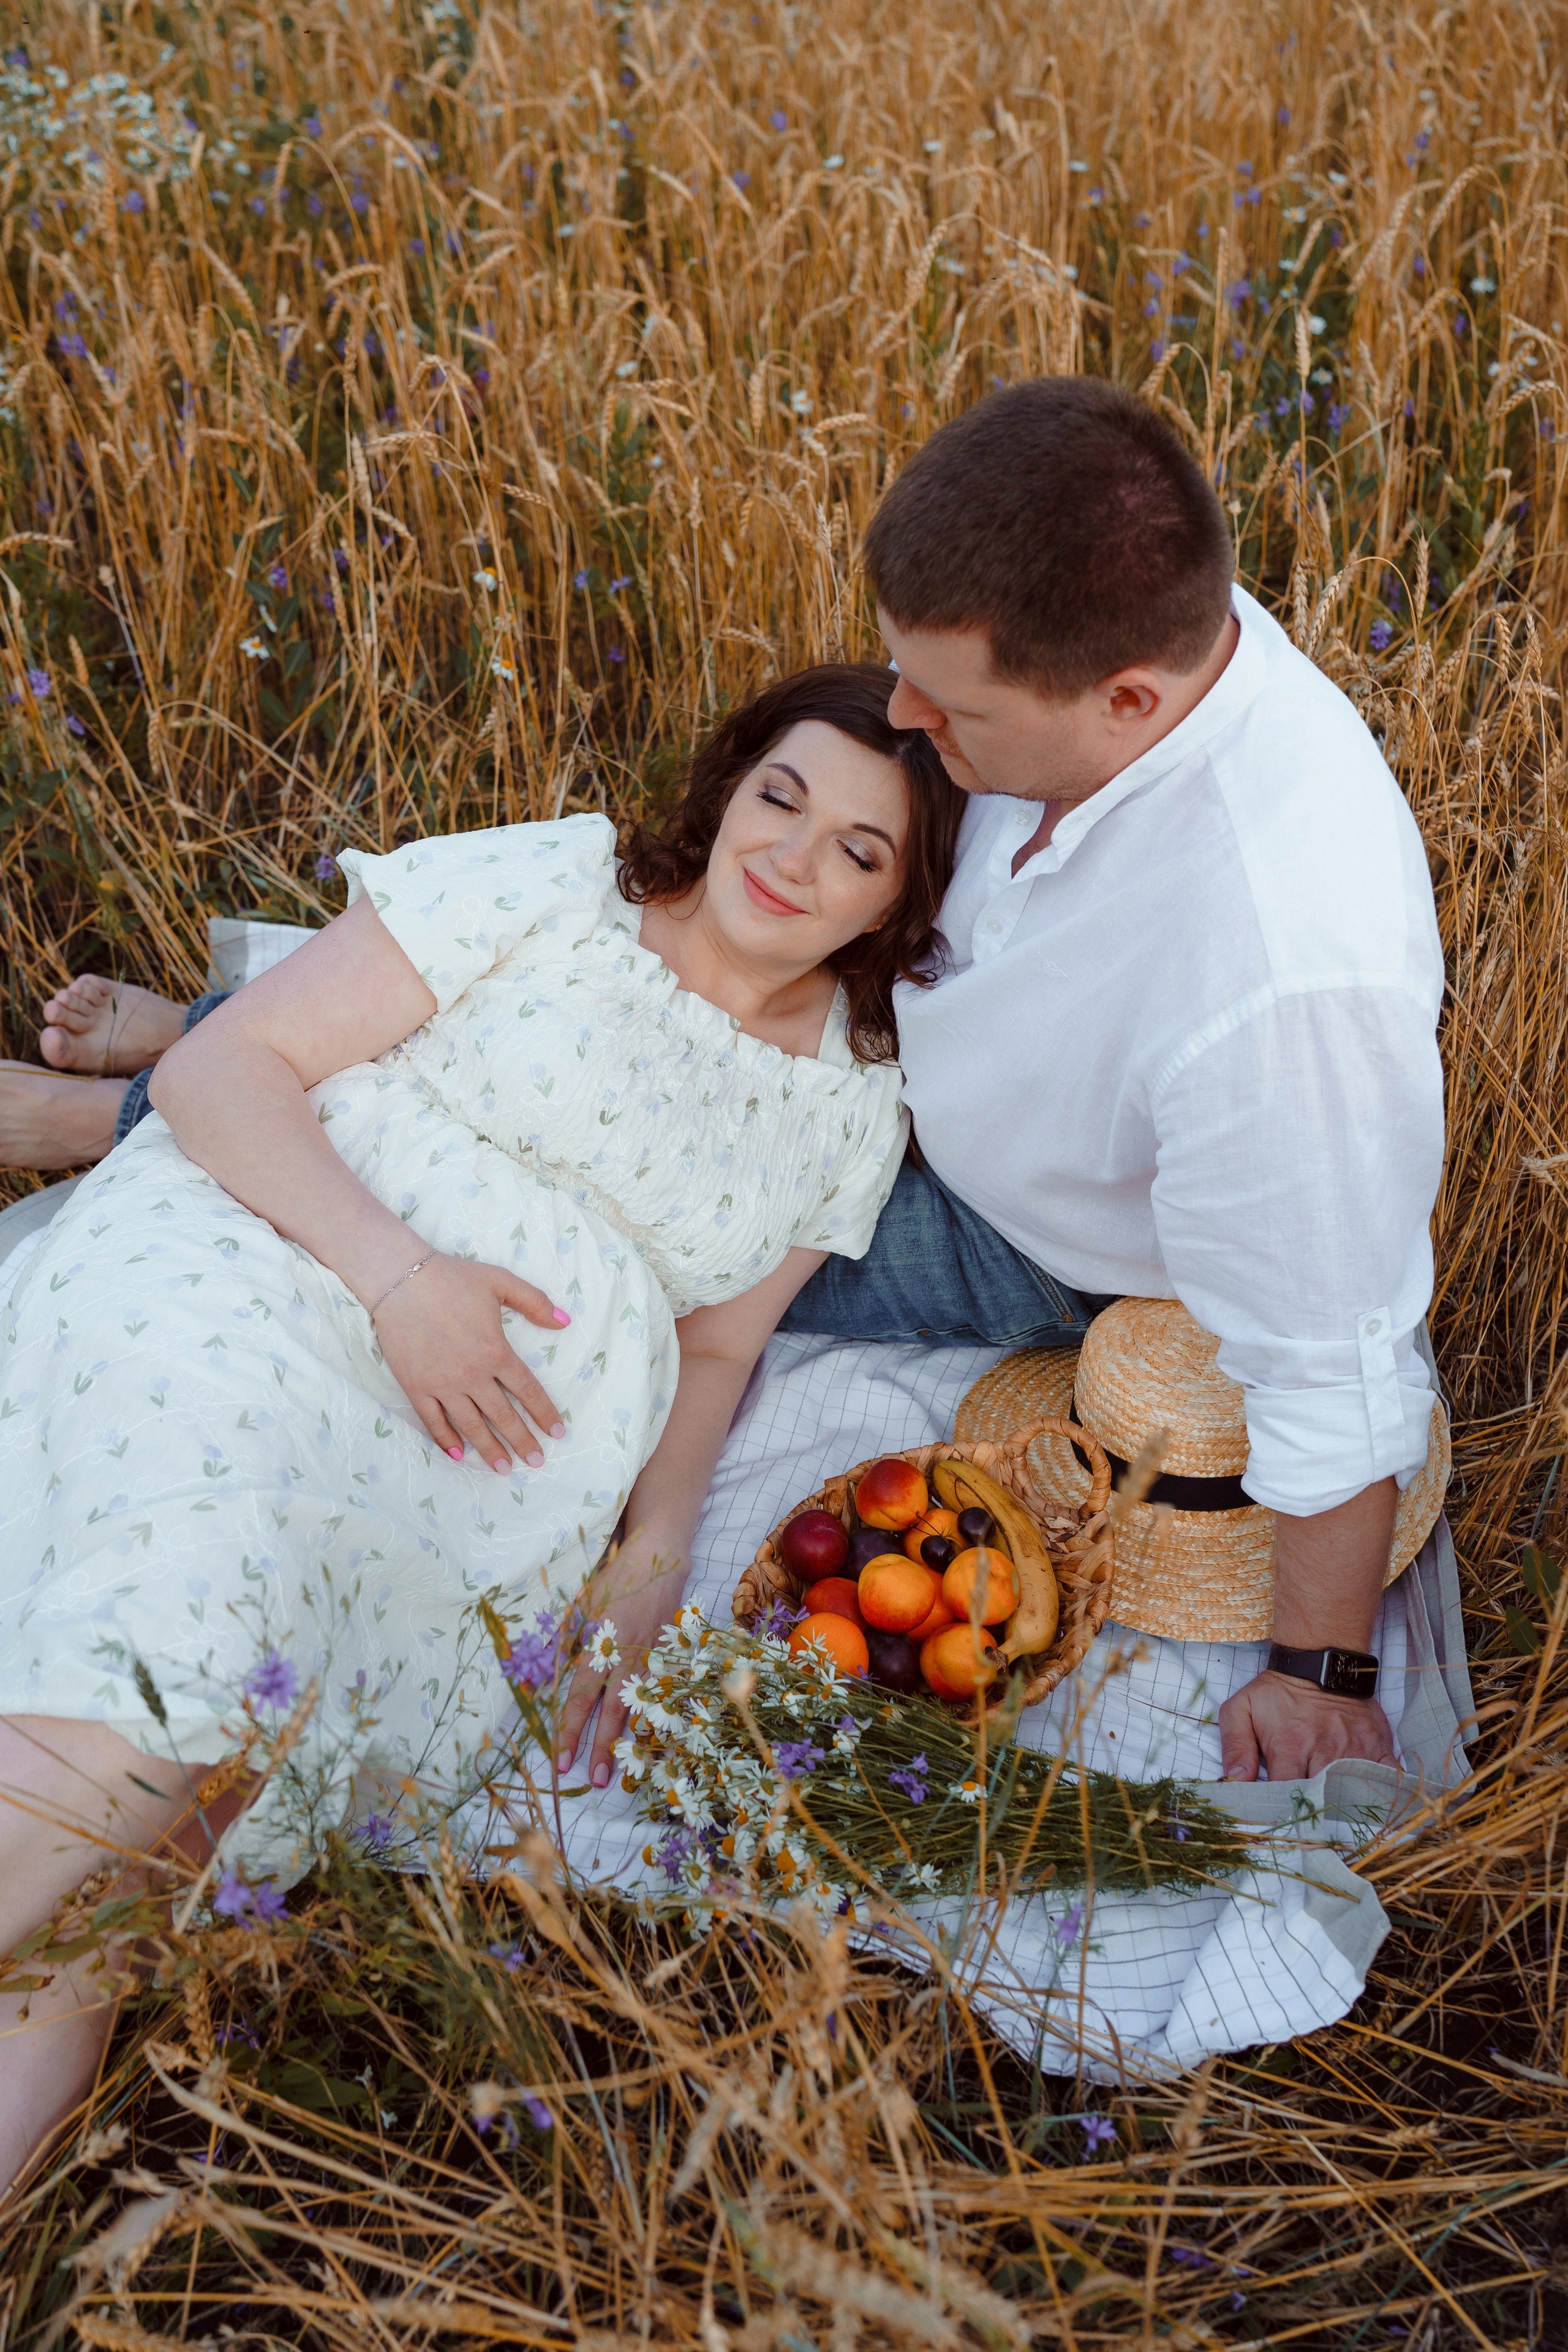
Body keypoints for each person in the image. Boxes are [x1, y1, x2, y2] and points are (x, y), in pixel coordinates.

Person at [0, 662, 960, 2191]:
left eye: (859, 848)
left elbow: (714, 1349)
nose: (790, 856)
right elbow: (220, 1062)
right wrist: (400, 1278)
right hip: (272, 1264)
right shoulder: (559, 884)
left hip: (479, 1472)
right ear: (728, 787)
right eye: (780, 797)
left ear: (895, 905)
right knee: (183, 1624)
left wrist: (653, 1551)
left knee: (157, 1848)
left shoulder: (849, 1102)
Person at [779, 378, 1447, 1789]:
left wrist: (1316, 1672)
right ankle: (222, 1037)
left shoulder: (1275, 986)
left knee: (640, 1218)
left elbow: (1327, 1345)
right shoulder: (1117, 648)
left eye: (950, 703)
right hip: (904, 1048)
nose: (899, 715)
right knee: (554, 1008)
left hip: (1005, 1229)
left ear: (1128, 700)